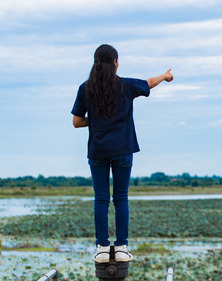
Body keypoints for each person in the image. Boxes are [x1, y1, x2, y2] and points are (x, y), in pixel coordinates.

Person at [71, 44, 173, 263]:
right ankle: (121, 247)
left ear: (95, 63)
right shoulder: (125, 85)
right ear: (116, 63)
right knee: (120, 198)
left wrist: (96, 121)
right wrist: (165, 76)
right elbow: (148, 83)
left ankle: (101, 248)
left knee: (101, 199)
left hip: (97, 151)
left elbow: (77, 122)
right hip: (123, 150)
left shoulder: (85, 88)